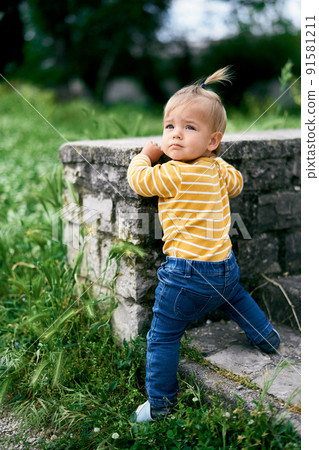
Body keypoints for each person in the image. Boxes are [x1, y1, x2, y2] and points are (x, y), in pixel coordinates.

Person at [127, 67, 280, 423]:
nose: (175, 135)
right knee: (235, 297)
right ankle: (267, 338)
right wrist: (218, 163)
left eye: (189, 128)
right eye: (169, 127)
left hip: (185, 275)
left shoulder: (171, 172)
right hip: (224, 268)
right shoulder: (215, 168)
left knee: (163, 337)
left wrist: (147, 154)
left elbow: (138, 181)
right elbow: (237, 183)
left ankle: (161, 406)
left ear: (213, 139)